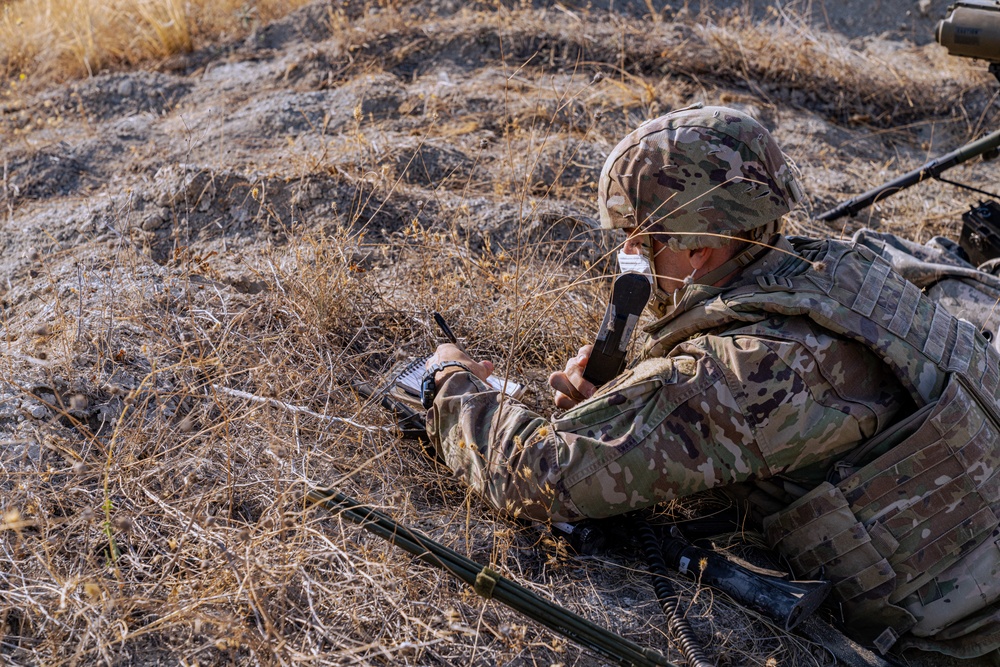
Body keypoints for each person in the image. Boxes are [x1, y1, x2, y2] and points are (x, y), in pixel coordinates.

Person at [419, 105, 1000, 659]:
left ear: (700, 250)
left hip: (961, 642)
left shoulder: (747, 369)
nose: (629, 254)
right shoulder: (844, 269)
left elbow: (535, 475)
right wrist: (633, 405)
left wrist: (450, 380)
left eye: (641, 239)